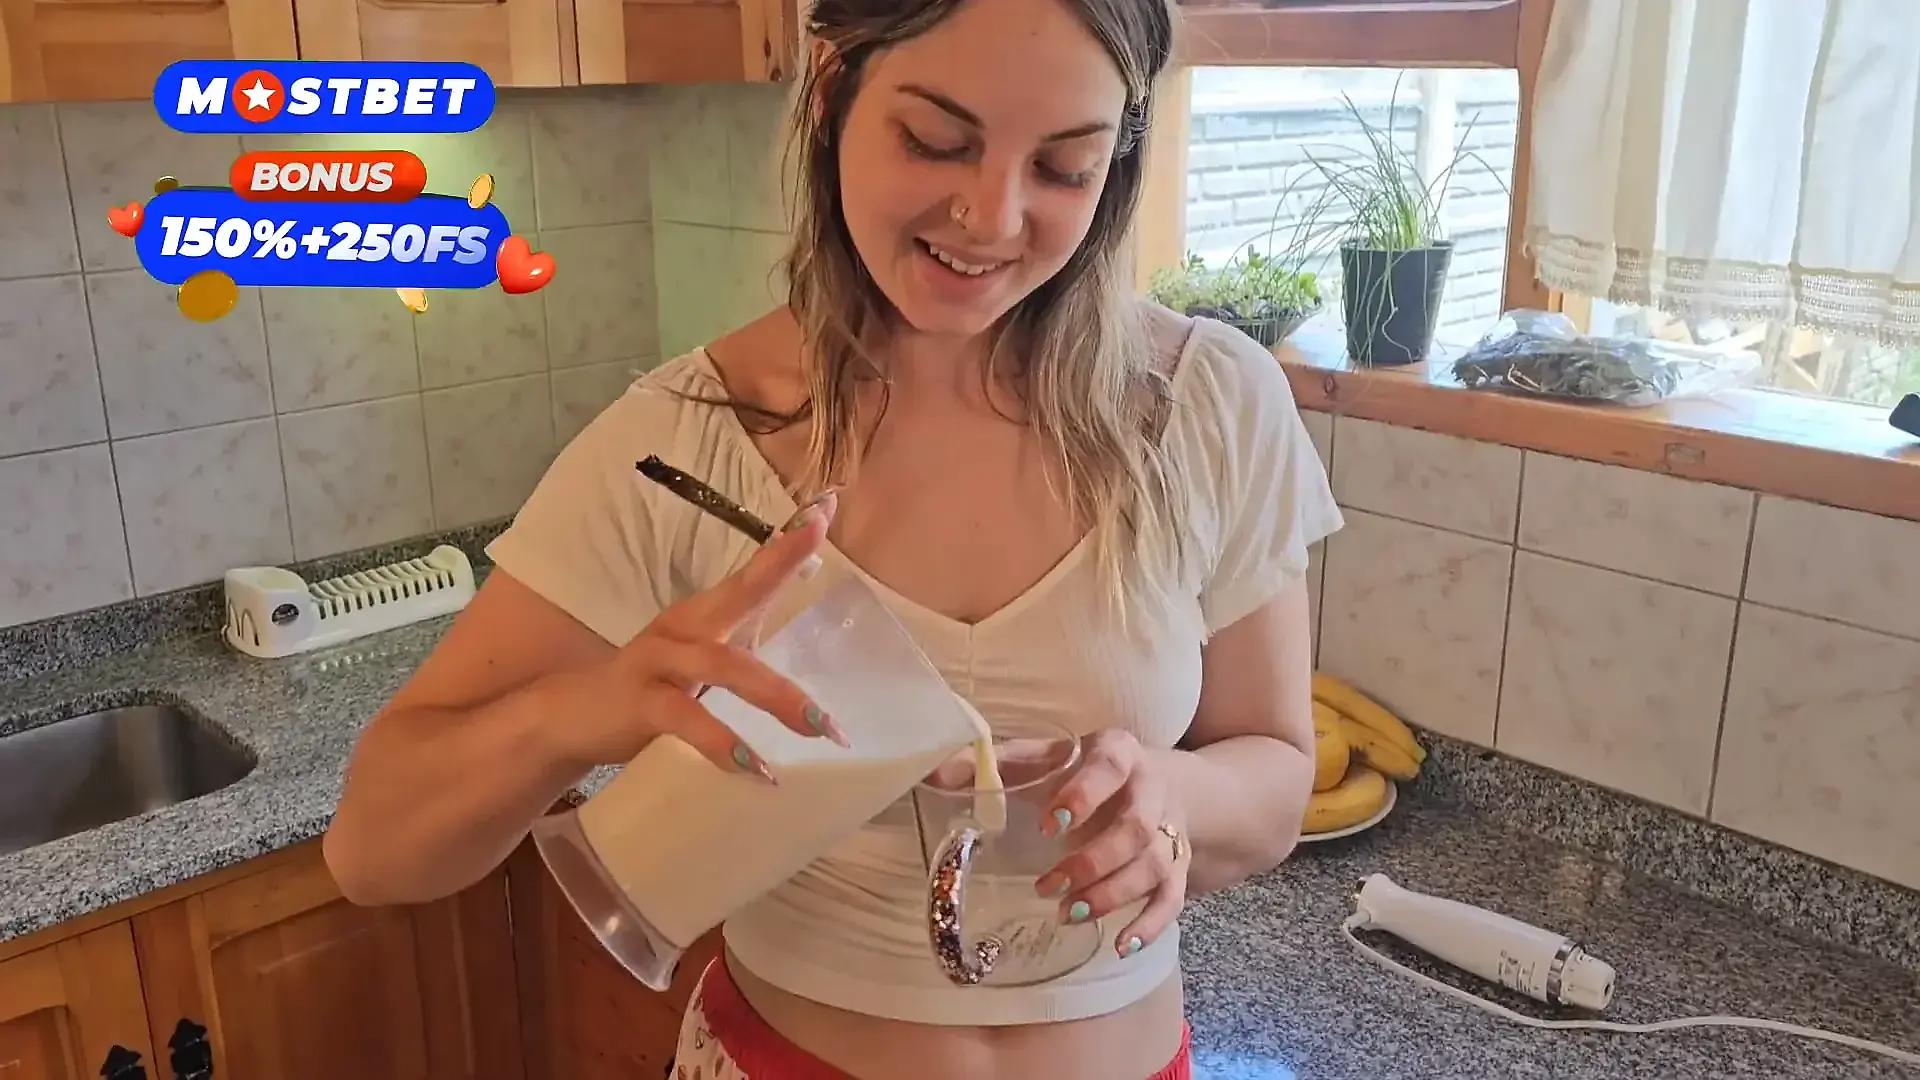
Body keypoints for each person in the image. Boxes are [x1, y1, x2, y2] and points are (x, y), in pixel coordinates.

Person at [321, 0, 1343, 1075]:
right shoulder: (685, 444)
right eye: (935, 140)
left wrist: (1173, 798)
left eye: (1063, 168)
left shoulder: (1206, 404)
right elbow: (374, 851)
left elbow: (1276, 775)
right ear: (829, 89)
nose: (992, 218)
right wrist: (586, 711)